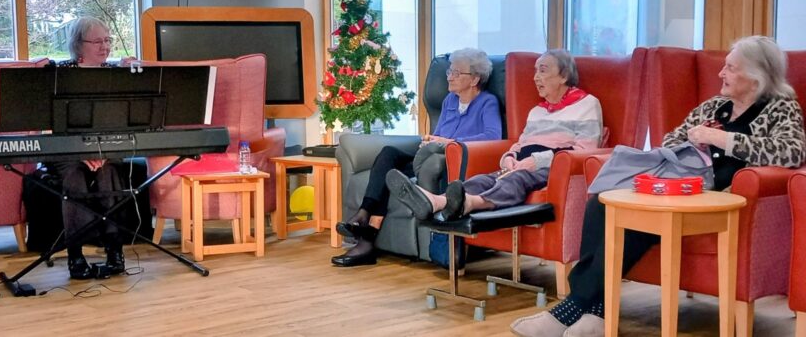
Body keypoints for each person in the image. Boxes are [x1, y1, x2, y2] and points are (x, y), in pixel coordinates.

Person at [511, 36, 806, 337]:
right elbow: (671, 140)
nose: (721, 73)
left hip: (719, 201)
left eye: (730, 68)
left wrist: (722, 140)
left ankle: (574, 307)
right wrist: (694, 142)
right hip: (682, 187)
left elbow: (792, 152)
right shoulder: (716, 106)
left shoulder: (780, 106)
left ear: (756, 75)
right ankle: (595, 312)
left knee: (641, 222)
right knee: (603, 203)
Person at [387, 49, 602, 224]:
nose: (536, 77)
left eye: (543, 71)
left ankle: (469, 203)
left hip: (552, 168)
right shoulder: (538, 110)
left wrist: (536, 161)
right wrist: (509, 156)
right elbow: (521, 142)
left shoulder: (586, 105)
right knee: (482, 179)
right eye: (535, 71)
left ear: (564, 76)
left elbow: (586, 150)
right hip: (520, 163)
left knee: (517, 179)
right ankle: (435, 201)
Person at [331, 48, 502, 267]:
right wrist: (429, 141)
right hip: (428, 155)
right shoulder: (450, 100)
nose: (449, 76)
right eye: (449, 70)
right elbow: (438, 132)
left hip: (447, 162)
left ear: (475, 79)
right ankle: (364, 214)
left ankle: (366, 235)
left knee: (392, 174)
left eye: (456, 73)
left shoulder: (487, 102)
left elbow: (492, 136)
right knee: (388, 155)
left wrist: (446, 142)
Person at [50, 17, 128, 280]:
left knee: (109, 174)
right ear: (78, 45)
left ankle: (115, 250)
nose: (105, 46)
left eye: (107, 40)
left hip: (107, 148)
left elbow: (124, 121)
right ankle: (76, 254)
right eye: (98, 41)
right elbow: (53, 125)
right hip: (68, 150)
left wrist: (102, 152)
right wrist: (83, 152)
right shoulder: (60, 75)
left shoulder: (118, 75)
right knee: (75, 176)